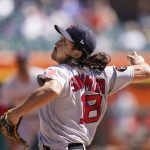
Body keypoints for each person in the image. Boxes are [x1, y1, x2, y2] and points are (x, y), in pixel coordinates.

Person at [1, 24, 150, 150]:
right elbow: (145, 72)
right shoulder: (105, 74)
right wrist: (139, 61)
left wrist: (14, 115)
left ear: (77, 53)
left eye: (64, 42)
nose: (57, 43)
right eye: (60, 39)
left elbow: (51, 89)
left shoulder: (60, 72)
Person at [0, 51, 44, 150]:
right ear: (17, 63)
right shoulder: (10, 84)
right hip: (25, 119)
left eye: (24, 61)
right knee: (18, 147)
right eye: (20, 62)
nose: (22, 64)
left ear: (28, 62)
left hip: (44, 117)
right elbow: (3, 108)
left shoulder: (41, 75)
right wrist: (8, 131)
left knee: (55, 145)